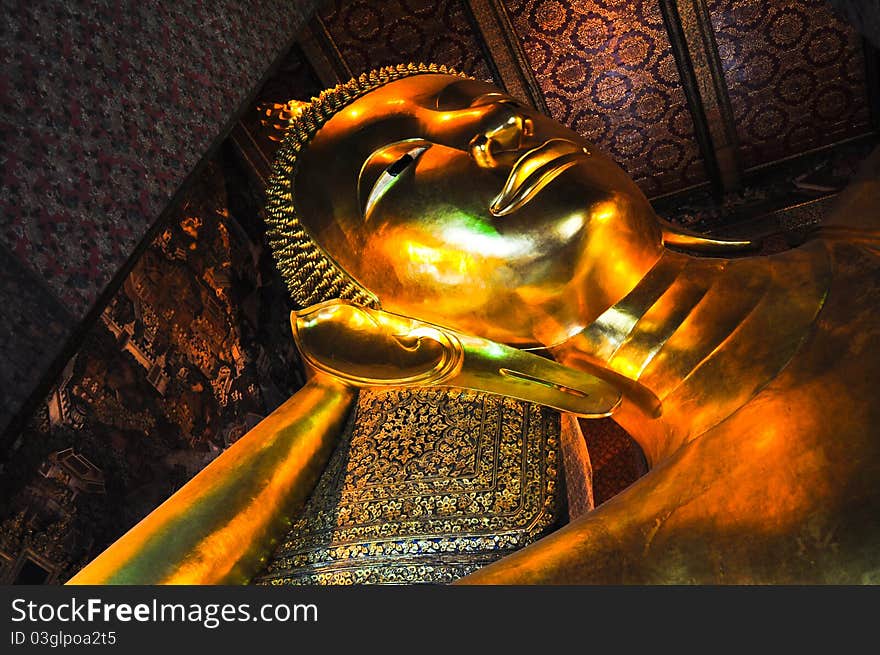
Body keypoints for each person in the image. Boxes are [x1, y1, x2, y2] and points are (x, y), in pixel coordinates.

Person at [70, 64, 880, 585]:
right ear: (392, 328)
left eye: (475, 103)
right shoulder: (683, 548)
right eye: (399, 169)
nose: (491, 130)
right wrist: (328, 395)